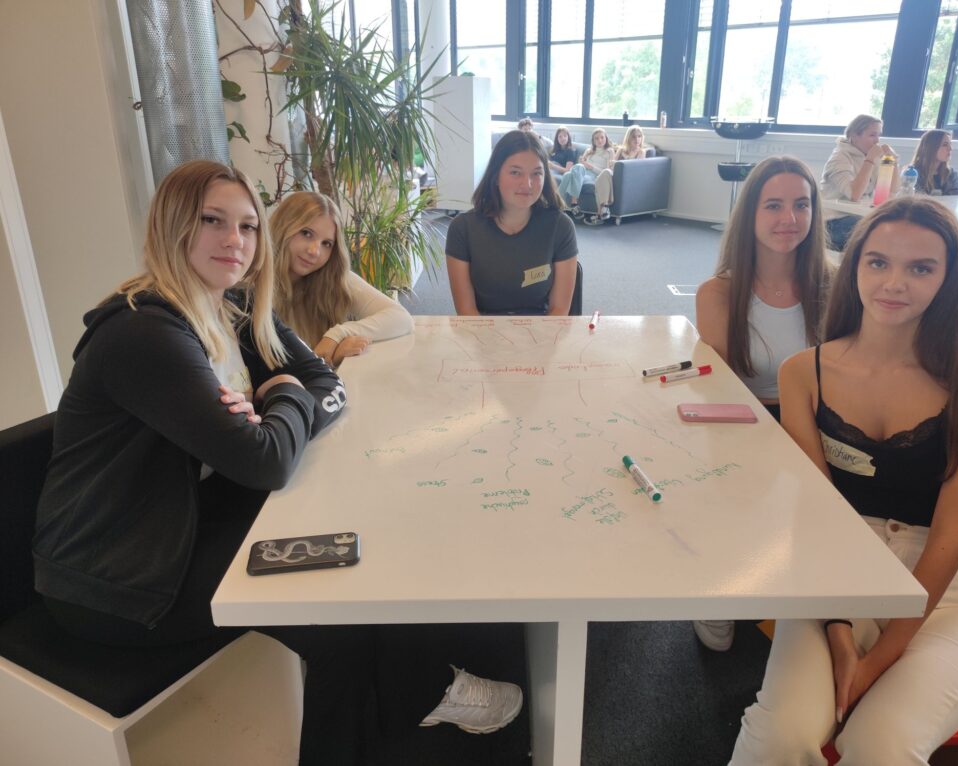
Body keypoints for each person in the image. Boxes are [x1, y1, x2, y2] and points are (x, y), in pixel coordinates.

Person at [31, 160, 371, 764]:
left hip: (182, 522)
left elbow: (328, 382)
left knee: (347, 545)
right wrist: (284, 395)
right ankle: (424, 690)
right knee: (333, 609)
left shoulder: (231, 305)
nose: (234, 240)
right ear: (173, 226)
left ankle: (415, 689)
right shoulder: (144, 331)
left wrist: (278, 404)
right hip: (116, 576)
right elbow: (266, 461)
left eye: (247, 226)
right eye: (212, 220)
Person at [730, 196, 958, 765]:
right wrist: (839, 628)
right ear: (855, 266)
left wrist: (877, 661)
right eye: (878, 262)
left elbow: (951, 537)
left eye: (921, 268)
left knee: (880, 745)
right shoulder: (804, 372)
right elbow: (814, 513)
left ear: (949, 280)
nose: (894, 283)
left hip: (949, 589)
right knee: (779, 736)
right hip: (837, 568)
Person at [694, 155, 832, 652]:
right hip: (746, 417)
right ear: (750, 214)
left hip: (818, 417)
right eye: (773, 205)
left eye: (801, 205)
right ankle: (718, 586)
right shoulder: (719, 293)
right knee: (739, 501)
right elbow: (723, 391)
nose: (789, 219)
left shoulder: (837, 284)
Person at [270, 191, 412, 366]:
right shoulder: (251, 289)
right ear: (282, 228)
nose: (315, 251)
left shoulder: (332, 277)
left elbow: (401, 318)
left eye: (326, 244)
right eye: (306, 233)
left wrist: (337, 335)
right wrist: (329, 358)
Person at [447, 129, 578, 315]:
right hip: (482, 329)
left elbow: (559, 310)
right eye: (515, 172)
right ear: (495, 177)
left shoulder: (560, 226)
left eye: (536, 173)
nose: (527, 184)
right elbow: (467, 311)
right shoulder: (463, 229)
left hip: (542, 330)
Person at [821, 114, 901, 250]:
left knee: (897, 226)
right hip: (833, 221)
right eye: (872, 135)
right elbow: (854, 194)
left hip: (859, 216)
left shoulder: (871, 157)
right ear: (854, 135)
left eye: (879, 135)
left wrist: (892, 162)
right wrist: (869, 160)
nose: (877, 141)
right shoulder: (839, 158)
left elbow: (892, 190)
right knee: (880, 233)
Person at [558, 127, 616, 224]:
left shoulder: (609, 151)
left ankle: (559, 206)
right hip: (582, 174)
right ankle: (573, 203)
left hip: (595, 176)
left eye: (602, 137)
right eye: (596, 138)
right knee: (576, 168)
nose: (600, 140)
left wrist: (591, 166)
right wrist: (582, 162)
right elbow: (580, 166)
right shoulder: (589, 150)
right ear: (593, 141)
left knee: (567, 176)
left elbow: (607, 172)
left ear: (606, 138)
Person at [910, 129, 958, 196]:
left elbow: (957, 196)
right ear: (931, 147)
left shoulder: (950, 174)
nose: (950, 148)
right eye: (945, 145)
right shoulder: (912, 173)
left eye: (950, 144)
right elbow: (915, 198)